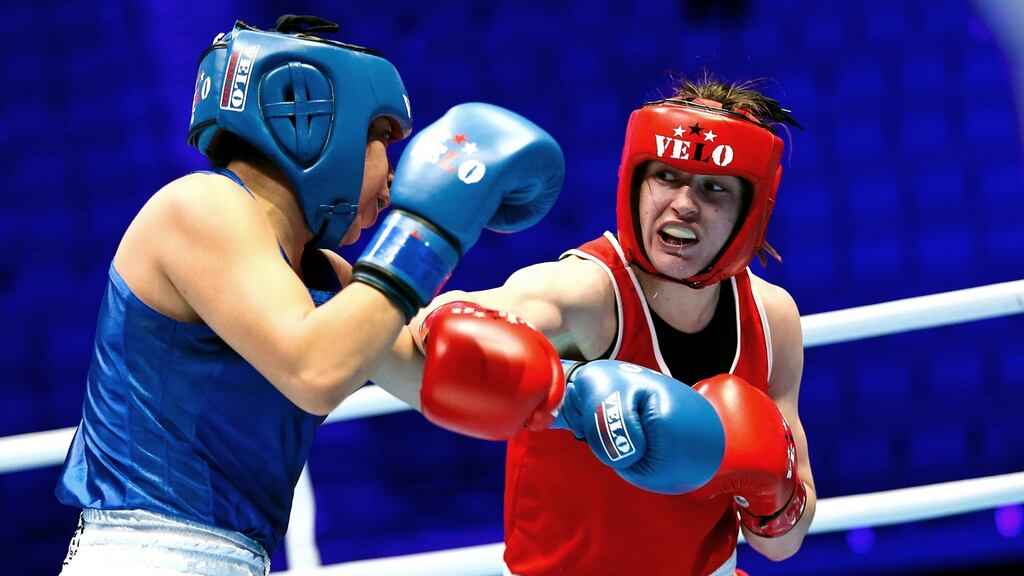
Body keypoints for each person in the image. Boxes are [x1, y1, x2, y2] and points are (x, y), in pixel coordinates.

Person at [53, 14, 564, 575]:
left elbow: (437, 379)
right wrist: (427, 231)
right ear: (315, 124)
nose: (393, 176)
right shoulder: (200, 207)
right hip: (144, 556)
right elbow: (314, 370)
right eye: (381, 139)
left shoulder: (323, 277)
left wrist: (582, 400)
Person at [392, 76, 815, 576]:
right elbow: (437, 321)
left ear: (750, 209)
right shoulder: (587, 294)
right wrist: (570, 392)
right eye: (667, 177)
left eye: (713, 187)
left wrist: (775, 489)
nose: (683, 203)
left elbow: (782, 544)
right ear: (636, 182)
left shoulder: (771, 318)